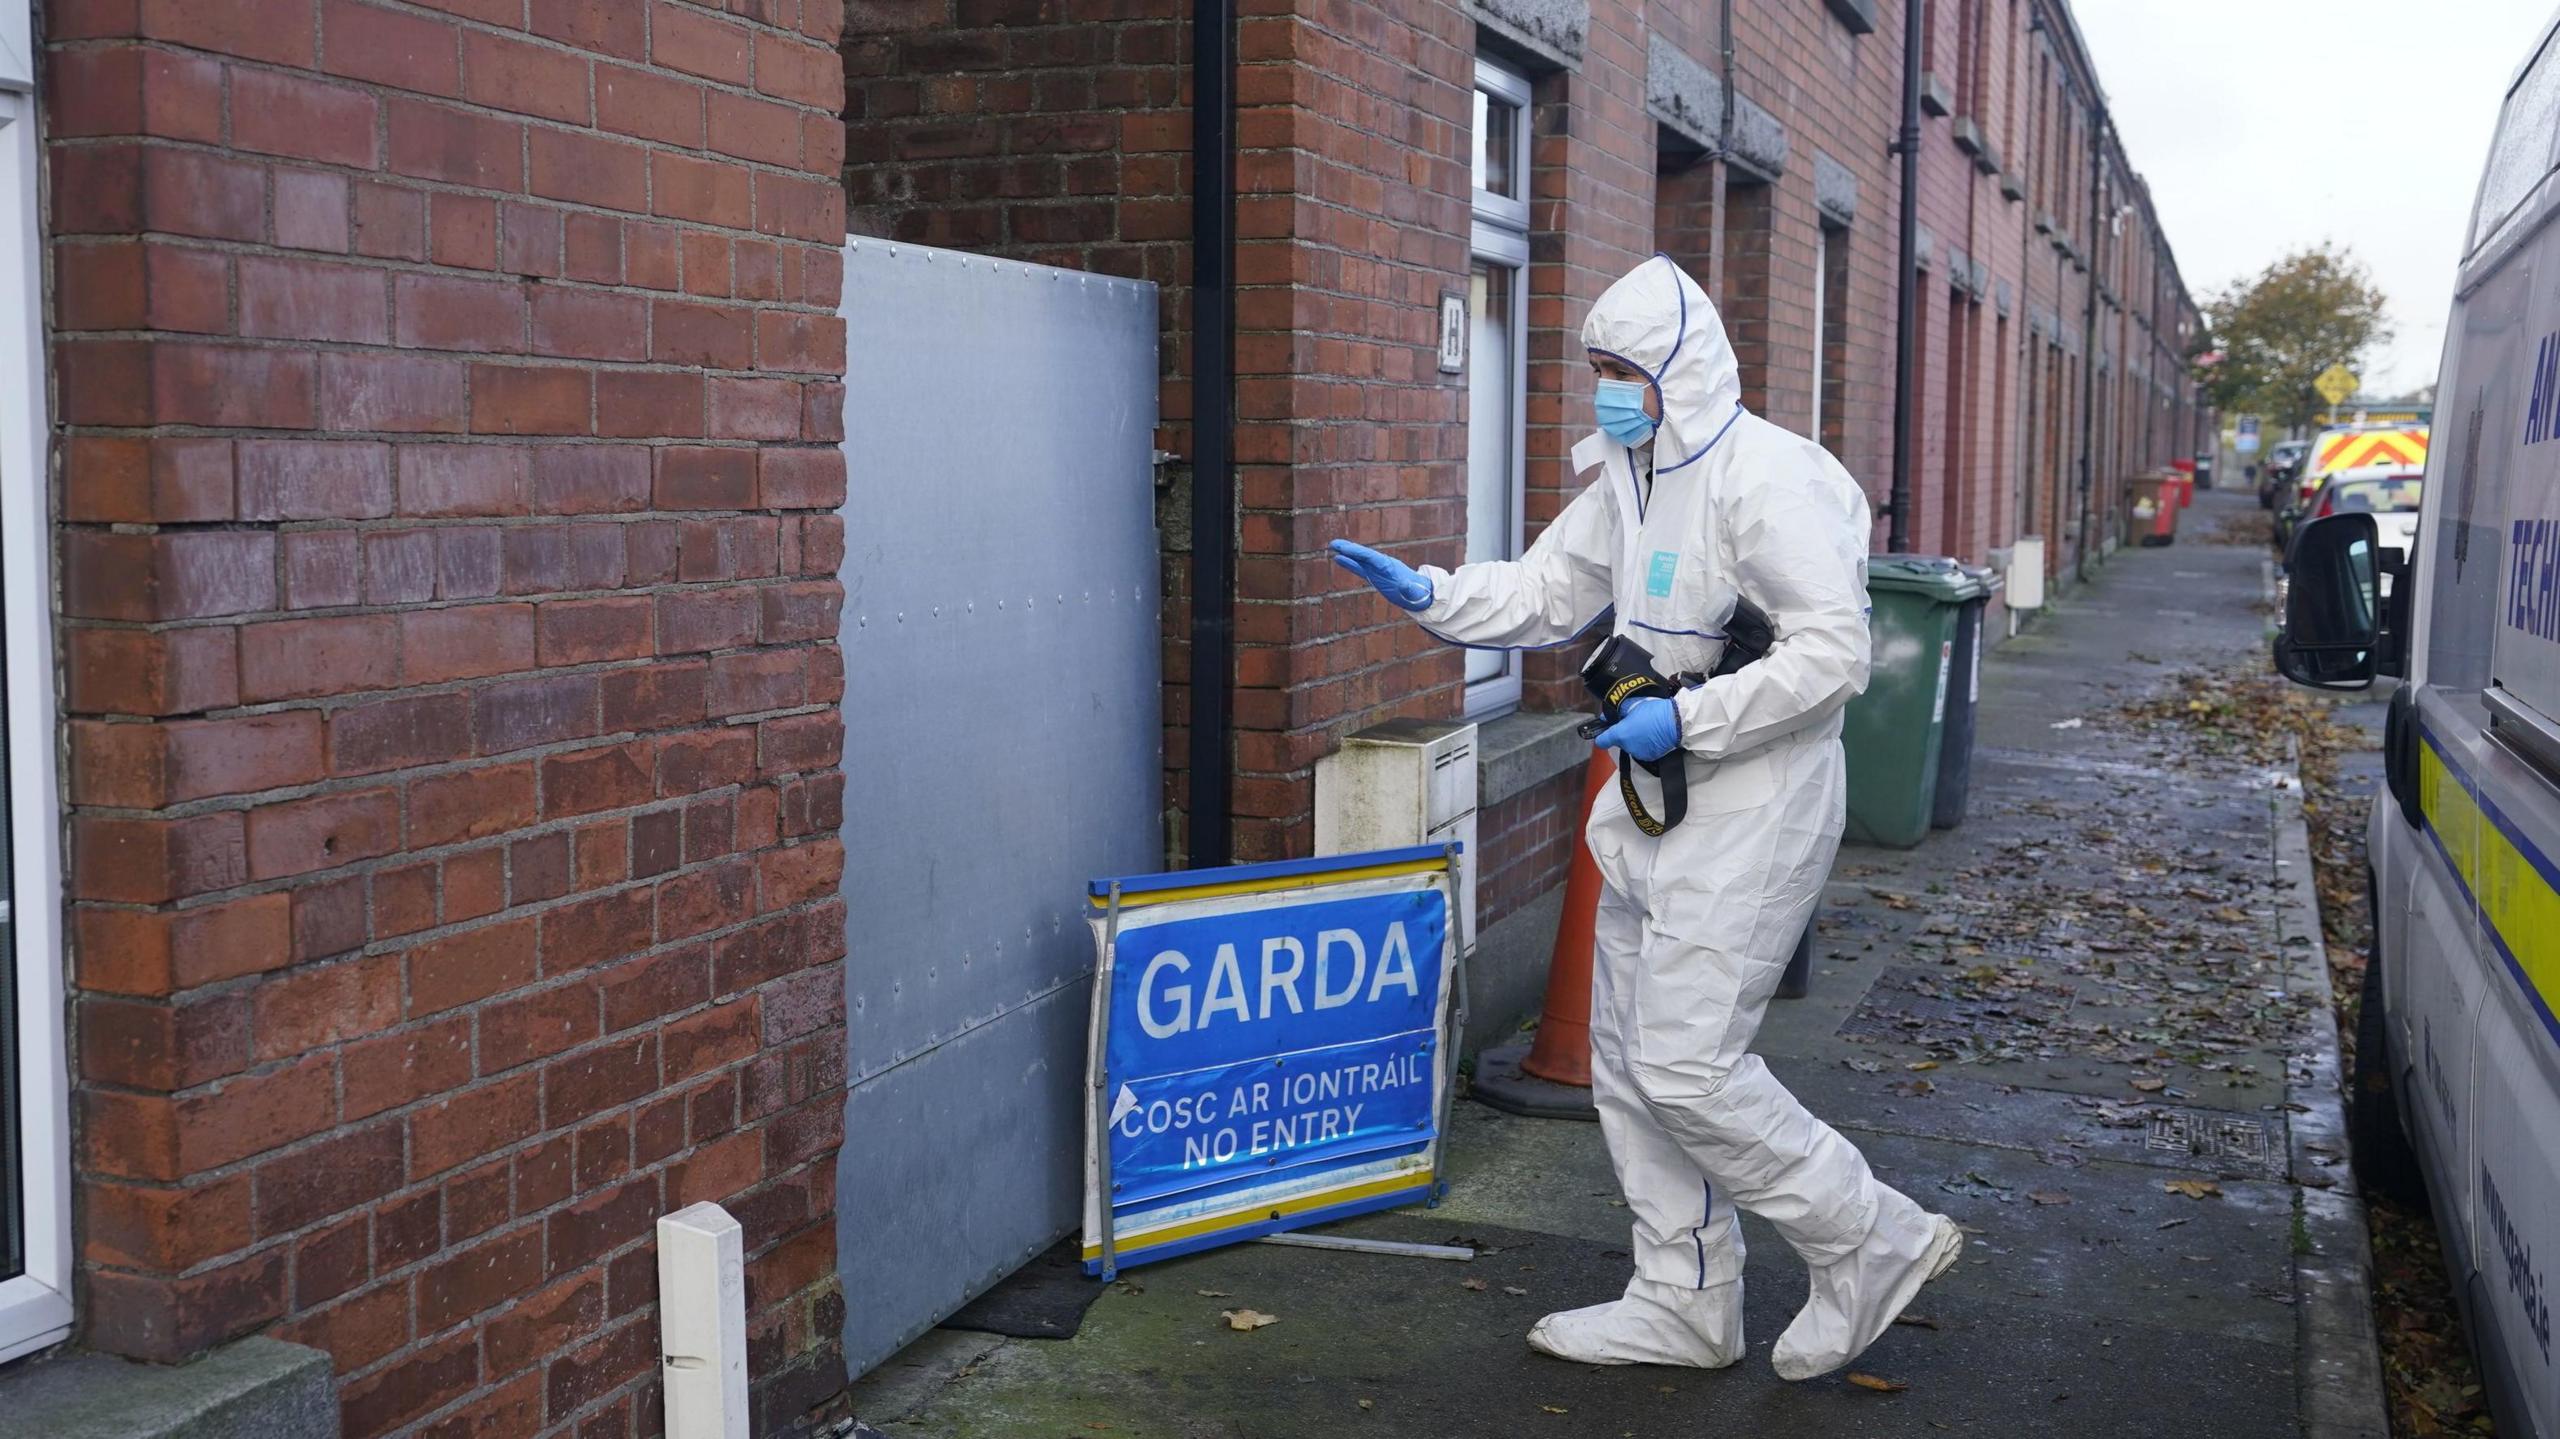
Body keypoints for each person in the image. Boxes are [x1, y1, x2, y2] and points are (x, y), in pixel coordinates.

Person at [1329, 255, 1961, 1381]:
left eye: (1625, 370)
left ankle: (1869, 1233)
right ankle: (1682, 1297)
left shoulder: (1769, 480)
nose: (1607, 390)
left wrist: (1695, 719)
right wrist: (1437, 596)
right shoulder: (1629, 470)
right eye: (1598, 370)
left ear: (1684, 369)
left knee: (1686, 1064)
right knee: (1625, 1059)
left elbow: (1833, 650)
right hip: (1655, 800)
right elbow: (1548, 590)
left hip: (1753, 800)